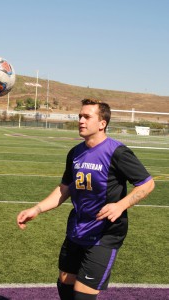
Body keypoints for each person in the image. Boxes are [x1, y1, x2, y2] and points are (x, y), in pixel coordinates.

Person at [17, 99, 155, 300]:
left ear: (102, 123)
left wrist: (121, 205)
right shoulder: (75, 153)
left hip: (103, 235)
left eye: (87, 117)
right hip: (76, 230)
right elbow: (64, 190)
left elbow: (147, 183)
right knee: (65, 290)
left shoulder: (117, 152)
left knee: (82, 297)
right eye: (80, 116)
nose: (81, 120)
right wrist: (36, 209)